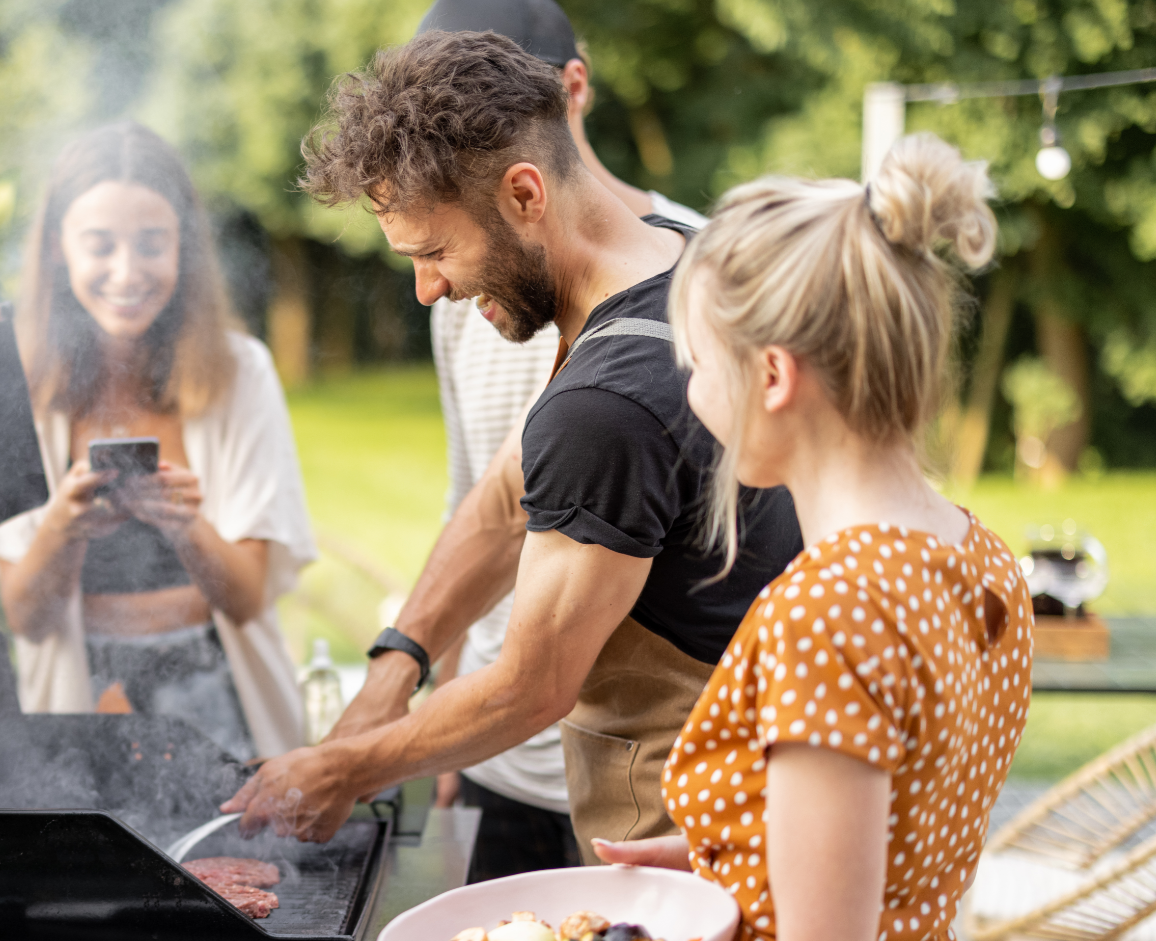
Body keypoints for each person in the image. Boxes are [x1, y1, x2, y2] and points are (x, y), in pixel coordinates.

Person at [371, 132, 1030, 941]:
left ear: (771, 376)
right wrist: (732, 853)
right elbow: (903, 826)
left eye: (696, 361)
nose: (686, 389)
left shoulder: (829, 609)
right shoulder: (975, 557)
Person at [222, 31, 803, 849]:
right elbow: (505, 500)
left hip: (705, 849)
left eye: (434, 252)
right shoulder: (687, 263)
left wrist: (341, 772)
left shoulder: (604, 405)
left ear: (526, 194)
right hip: (776, 809)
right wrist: (391, 674)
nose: (430, 291)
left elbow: (529, 689)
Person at [417, 0, 709, 880]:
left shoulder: (706, 267)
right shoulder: (463, 277)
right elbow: (478, 490)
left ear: (571, 88)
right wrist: (428, 697)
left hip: (661, 768)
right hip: (496, 753)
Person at [0, 121, 316, 762]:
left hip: (221, 701)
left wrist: (185, 525)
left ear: (183, 245)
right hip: (78, 709)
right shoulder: (10, 387)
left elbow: (245, 600)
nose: (127, 273)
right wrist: (63, 528)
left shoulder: (241, 372)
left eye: (152, 244)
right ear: (57, 247)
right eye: (99, 245)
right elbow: (27, 617)